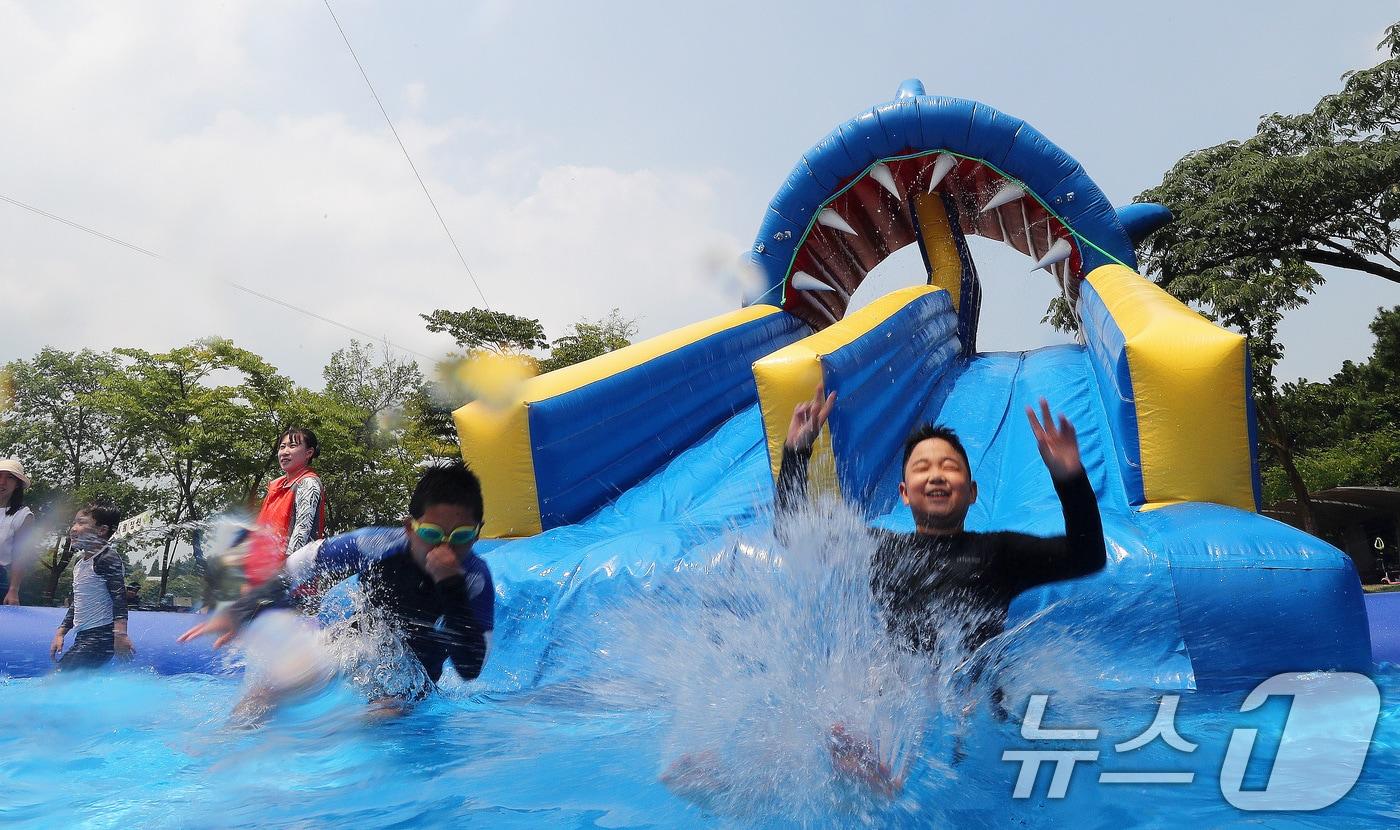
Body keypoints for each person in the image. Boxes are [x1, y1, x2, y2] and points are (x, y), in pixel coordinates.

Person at [179, 462, 495, 717]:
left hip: (414, 672)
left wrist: (450, 585)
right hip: (358, 640)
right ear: (410, 528)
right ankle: (223, 754)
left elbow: (470, 667)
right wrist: (239, 611)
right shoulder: (378, 545)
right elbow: (296, 568)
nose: (445, 547)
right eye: (431, 532)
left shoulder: (474, 579)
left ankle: (335, 771)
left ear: (478, 533)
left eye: (462, 535)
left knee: (386, 713)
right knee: (271, 688)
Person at [50, 503, 135, 671]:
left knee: (58, 679)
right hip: (85, 635)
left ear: (101, 530)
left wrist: (121, 634)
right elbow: (79, 602)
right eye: (74, 522)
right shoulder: (80, 563)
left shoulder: (107, 558)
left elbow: (119, 597)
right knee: (72, 682)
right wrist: (60, 632)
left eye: (81, 523)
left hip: (101, 636)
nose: (73, 528)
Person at [245, 427, 328, 587]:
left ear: (308, 453)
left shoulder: (308, 483)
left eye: (292, 446)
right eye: (282, 447)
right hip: (263, 576)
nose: (285, 452)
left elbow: (302, 531)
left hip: (289, 581)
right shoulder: (276, 485)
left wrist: (282, 573)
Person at [0, 458, 35, 605]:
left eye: (9, 477)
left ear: (17, 485)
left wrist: (13, 589)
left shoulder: (22, 516)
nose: (2, 482)